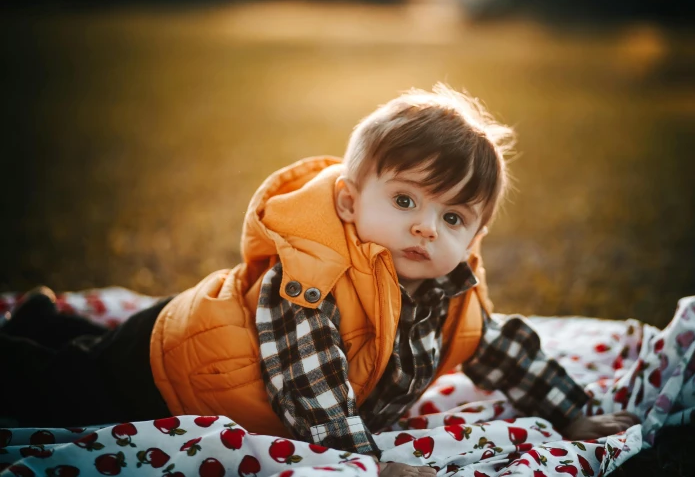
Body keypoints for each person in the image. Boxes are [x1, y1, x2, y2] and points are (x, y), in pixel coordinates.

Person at [0, 84, 639, 476]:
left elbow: (499, 349)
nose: (426, 230)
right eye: (407, 202)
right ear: (347, 203)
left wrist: (573, 416)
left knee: (80, 349)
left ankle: (44, 320)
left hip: (209, 340)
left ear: (474, 239)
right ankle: (28, 342)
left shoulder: (448, 293)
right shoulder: (309, 281)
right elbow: (313, 390)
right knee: (63, 388)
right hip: (169, 370)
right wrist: (366, 465)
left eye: (453, 217)